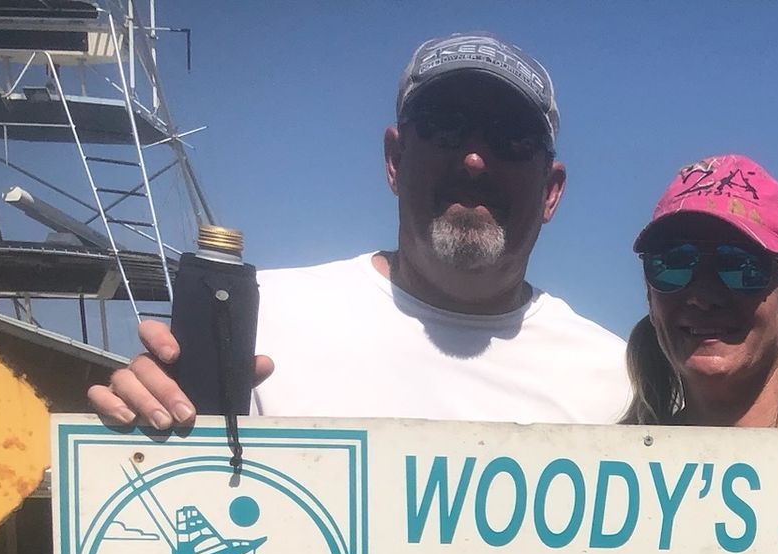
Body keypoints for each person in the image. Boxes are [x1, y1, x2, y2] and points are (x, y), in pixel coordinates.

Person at [87, 31, 628, 425]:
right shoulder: (252, 319)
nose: (474, 160)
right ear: (394, 158)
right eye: (444, 127)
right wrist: (147, 415)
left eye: (512, 138)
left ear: (551, 190)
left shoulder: (618, 379)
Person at [623, 153, 778, 428]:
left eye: (741, 265)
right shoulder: (599, 462)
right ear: (649, 298)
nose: (702, 297)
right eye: (673, 263)